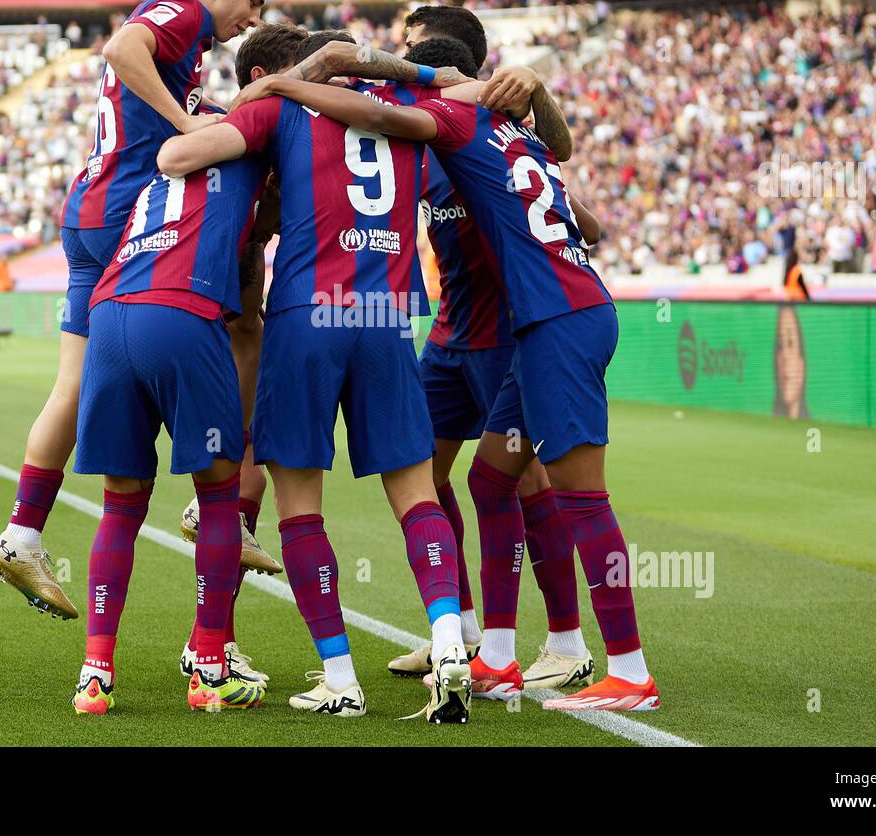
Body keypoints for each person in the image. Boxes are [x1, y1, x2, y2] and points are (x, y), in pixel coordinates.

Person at [228, 46, 661, 712]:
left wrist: (292, 83)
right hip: (552, 316)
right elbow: (587, 214)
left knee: (582, 498)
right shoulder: (518, 139)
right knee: (489, 480)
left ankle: (627, 670)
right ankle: (492, 656)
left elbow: (376, 109)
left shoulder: (453, 123)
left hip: (554, 319)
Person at [157, 47, 480, 725]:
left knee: (301, 507)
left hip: (308, 315)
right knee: (417, 493)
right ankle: (451, 639)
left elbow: (180, 158)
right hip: (387, 317)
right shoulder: (408, 115)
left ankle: (340, 678)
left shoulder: (285, 108)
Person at [0, 0, 283, 622]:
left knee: (75, 378)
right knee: (228, 325)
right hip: (127, 215)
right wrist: (189, 123)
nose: (254, 17)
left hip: (87, 210)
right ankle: (219, 510)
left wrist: (196, 112)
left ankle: (23, 531)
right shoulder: (180, 9)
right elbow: (122, 48)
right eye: (253, 0)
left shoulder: (191, 37)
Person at [69, 23, 307, 715]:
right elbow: (273, 217)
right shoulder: (262, 130)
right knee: (218, 498)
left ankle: (94, 675)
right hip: (180, 313)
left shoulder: (172, 141)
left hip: (111, 312)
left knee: (120, 504)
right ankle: (209, 666)